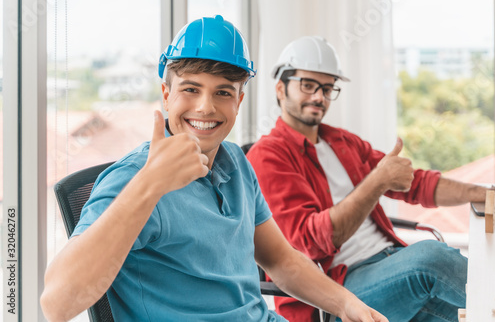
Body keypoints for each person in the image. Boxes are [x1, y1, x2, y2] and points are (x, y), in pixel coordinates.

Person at [40, 17, 388, 322]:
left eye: (223, 92)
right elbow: (57, 304)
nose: (206, 107)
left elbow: (281, 260)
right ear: (165, 93)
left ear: (238, 101)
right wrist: (150, 184)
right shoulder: (132, 178)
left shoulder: (235, 160)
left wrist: (346, 303)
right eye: (191, 89)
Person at [246, 36, 495, 322]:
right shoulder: (268, 156)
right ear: (280, 88)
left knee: (463, 312)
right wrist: (377, 181)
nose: (319, 96)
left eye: (328, 88)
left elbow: (416, 184)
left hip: (391, 265)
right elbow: (312, 243)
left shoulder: (341, 141)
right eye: (308, 85)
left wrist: (487, 194)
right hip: (339, 291)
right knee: (432, 260)